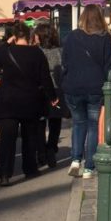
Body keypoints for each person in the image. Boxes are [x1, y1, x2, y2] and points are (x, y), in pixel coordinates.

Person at [0, 22, 56, 186]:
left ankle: (4, 174)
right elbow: (45, 78)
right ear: (29, 36)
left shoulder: (6, 51)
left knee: (7, 140)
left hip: (8, 101)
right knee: (29, 137)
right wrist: (52, 96)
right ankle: (30, 168)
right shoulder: (37, 53)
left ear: (14, 36)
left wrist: (6, 43)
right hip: (30, 100)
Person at [61, 5, 111, 179]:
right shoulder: (105, 38)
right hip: (95, 87)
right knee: (93, 126)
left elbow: (65, 61)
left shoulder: (71, 37)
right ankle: (89, 168)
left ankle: (76, 160)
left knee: (78, 123)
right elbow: (110, 66)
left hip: (73, 86)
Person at [33, 24, 64, 170]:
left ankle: (41, 152)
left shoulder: (37, 52)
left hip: (40, 90)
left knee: (40, 123)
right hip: (58, 90)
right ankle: (51, 148)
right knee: (55, 122)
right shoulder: (60, 51)